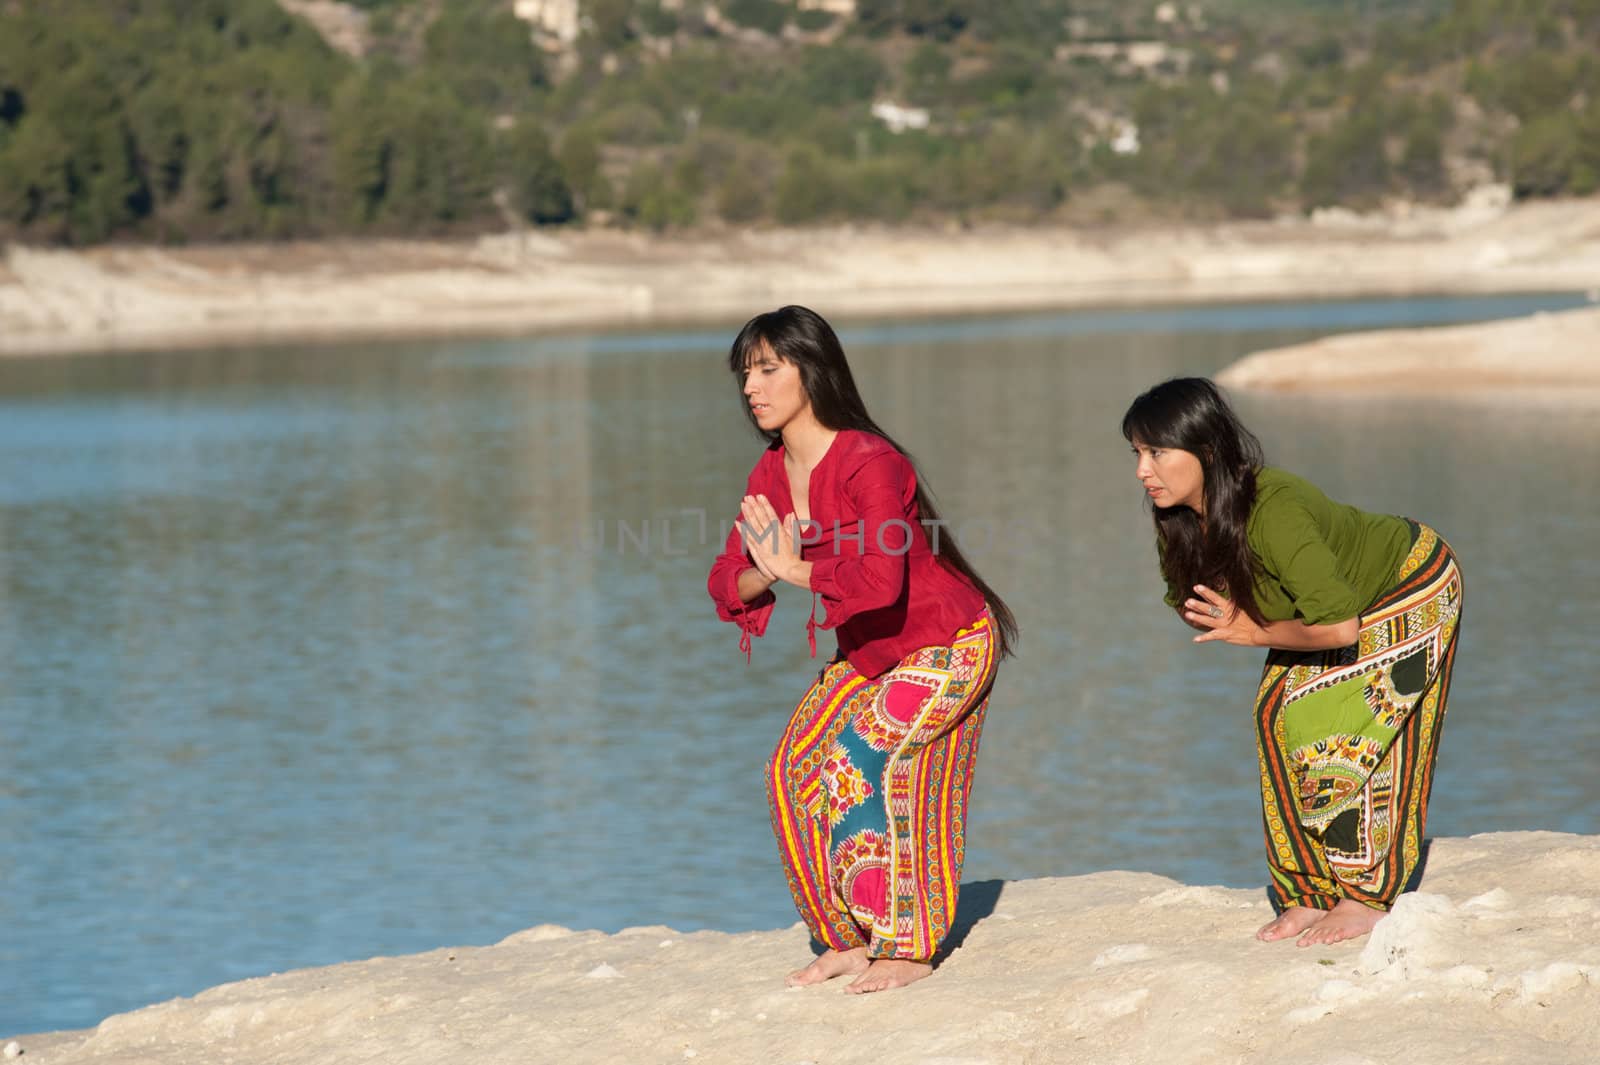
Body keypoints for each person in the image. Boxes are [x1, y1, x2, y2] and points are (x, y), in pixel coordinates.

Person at [708, 305, 1018, 993]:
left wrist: (790, 570)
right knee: (792, 770)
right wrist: (766, 567)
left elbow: (881, 581)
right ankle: (846, 938)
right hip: (873, 653)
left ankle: (909, 944)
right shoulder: (770, 474)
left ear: (811, 370)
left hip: (949, 643)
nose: (751, 387)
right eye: (745, 374)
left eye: (767, 368)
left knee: (874, 751)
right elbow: (728, 578)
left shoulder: (871, 462)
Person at [1121, 377, 1463, 947]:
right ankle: (1307, 891)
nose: (1142, 470)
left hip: (1410, 582)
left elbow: (1338, 627)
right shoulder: (1178, 519)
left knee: (1355, 726)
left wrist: (1251, 631)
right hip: (1326, 612)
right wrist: (1217, 614)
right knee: (1275, 716)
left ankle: (1367, 895)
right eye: (1136, 453)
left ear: (1205, 451)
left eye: (1156, 452)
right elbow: (1194, 605)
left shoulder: (1272, 508)